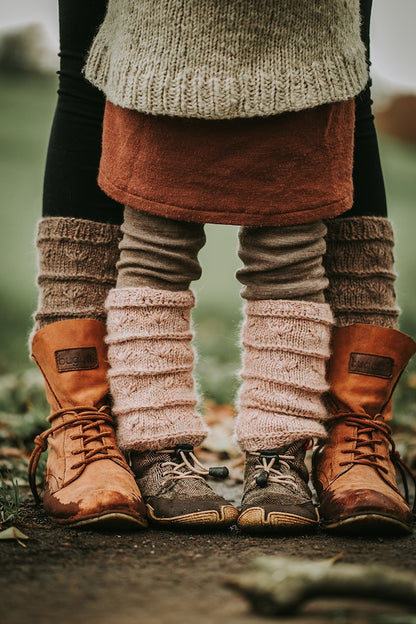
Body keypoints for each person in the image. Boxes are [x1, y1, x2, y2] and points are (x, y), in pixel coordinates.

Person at [29, 0, 415, 535]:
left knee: (349, 84)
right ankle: (108, 431)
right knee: (90, 76)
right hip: (159, 48)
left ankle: (324, 437)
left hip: (303, 44)